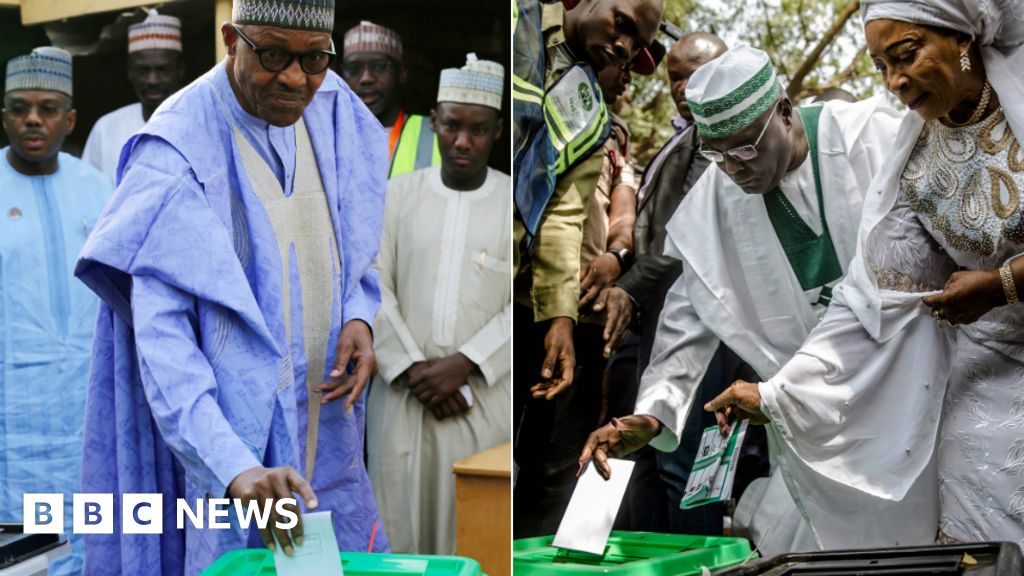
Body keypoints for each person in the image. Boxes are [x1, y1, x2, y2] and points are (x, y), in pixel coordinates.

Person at [74, 1, 390, 573]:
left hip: (327, 424)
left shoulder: (334, 105)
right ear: (230, 39)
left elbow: (357, 241)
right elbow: (163, 345)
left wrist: (358, 316)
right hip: (221, 450)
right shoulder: (175, 149)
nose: (295, 77)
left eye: (314, 59)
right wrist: (231, 467)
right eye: (272, 55)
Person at [705, 0, 1024, 551]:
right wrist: (778, 395)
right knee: (976, 497)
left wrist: (1004, 284)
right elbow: (872, 298)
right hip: (990, 369)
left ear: (963, 40)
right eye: (881, 66)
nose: (895, 81)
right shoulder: (916, 163)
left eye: (906, 55)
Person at [578, 45, 903, 554]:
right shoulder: (717, 195)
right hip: (807, 426)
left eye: (745, 147)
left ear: (786, 111)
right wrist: (654, 413)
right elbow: (687, 317)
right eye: (716, 153)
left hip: (904, 395)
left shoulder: (870, 138)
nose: (732, 168)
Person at [368, 54, 510, 555]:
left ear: (497, 132)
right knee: (397, 532)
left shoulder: (513, 204)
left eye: (478, 129)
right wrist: (410, 368)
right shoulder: (396, 196)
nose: (463, 142)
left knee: (471, 535)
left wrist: (465, 363)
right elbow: (370, 286)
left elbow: (523, 307)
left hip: (481, 402)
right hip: (402, 399)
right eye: (452, 126)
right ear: (434, 124)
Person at [513, 54, 646, 538]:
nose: (626, 76)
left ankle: (532, 551)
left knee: (556, 459)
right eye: (621, 65)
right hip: (528, 307)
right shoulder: (548, 115)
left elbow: (624, 210)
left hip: (586, 319)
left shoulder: (617, 142)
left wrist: (617, 253)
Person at [511, 0, 663, 405]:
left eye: (637, 42)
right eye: (621, 24)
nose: (624, 46)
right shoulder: (518, 20)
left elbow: (563, 216)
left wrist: (560, 319)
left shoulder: (595, 120)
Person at [0, 46, 113, 576]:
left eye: (47, 109)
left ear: (70, 119)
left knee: (89, 531)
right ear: (4, 116)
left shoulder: (100, 191)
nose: (32, 119)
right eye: (19, 107)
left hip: (84, 406)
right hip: (11, 414)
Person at [82, 9, 186, 182]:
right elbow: (89, 194)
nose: (152, 80)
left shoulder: (200, 126)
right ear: (130, 71)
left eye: (163, 70)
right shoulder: (106, 129)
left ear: (180, 70)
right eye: (143, 70)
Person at [341, 21, 438, 178]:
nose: (366, 79)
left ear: (401, 73)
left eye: (379, 67)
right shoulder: (326, 134)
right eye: (354, 69)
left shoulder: (434, 133)